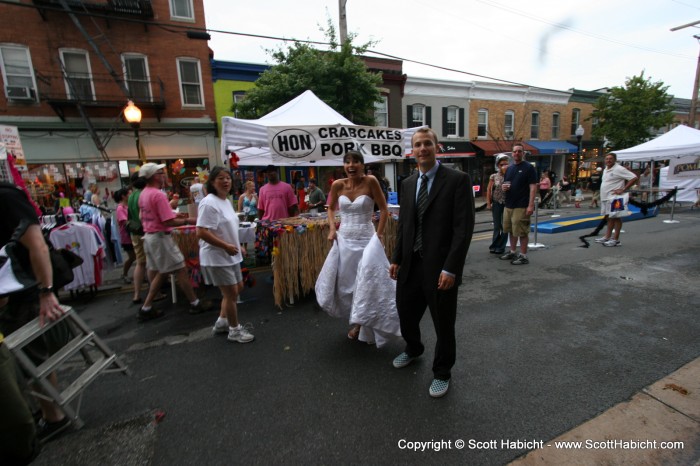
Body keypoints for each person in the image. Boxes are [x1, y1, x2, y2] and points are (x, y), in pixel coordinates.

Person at [388, 128, 474, 398]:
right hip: (411, 264)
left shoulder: (457, 180)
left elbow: (463, 229)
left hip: (440, 268)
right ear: (411, 150)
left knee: (443, 323)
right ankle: (413, 348)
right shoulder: (408, 183)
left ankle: (442, 372)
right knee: (405, 312)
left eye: (427, 143)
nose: (422, 148)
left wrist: (451, 268)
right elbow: (405, 225)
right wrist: (397, 258)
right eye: (417, 144)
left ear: (437, 147)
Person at [0, 183, 70, 457]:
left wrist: (46, 292)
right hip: (14, 295)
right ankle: (49, 412)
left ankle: (54, 417)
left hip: (24, 293)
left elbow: (37, 245)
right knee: (27, 359)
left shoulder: (6, 197)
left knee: (31, 359)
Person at [315, 151, 399, 346]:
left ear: (363, 165)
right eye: (347, 162)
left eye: (356, 162)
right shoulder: (338, 185)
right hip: (344, 240)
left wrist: (378, 235)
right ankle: (359, 319)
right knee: (348, 284)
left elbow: (384, 209)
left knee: (367, 283)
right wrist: (332, 229)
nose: (351, 165)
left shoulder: (370, 182)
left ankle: (361, 325)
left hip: (367, 241)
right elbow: (330, 208)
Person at [137, 163, 212, 321]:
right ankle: (195, 303)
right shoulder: (158, 195)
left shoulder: (144, 193)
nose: (164, 174)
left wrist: (178, 217)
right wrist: (191, 220)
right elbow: (168, 221)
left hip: (149, 237)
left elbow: (149, 216)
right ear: (154, 176)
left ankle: (146, 307)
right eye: (160, 172)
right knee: (180, 268)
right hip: (160, 237)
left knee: (164, 271)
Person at [197, 167, 254, 344]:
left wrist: (238, 246)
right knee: (230, 294)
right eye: (220, 178)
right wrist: (225, 246)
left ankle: (222, 321)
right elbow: (201, 231)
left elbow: (226, 228)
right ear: (212, 182)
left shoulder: (225, 201)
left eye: (228, 178)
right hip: (217, 256)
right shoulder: (209, 202)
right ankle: (234, 330)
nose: (226, 181)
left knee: (237, 288)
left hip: (231, 253)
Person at [500, 143, 538, 265]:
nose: (517, 153)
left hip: (521, 205)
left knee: (521, 231)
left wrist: (531, 205)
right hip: (509, 204)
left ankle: (523, 255)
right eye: (515, 151)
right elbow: (506, 184)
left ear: (523, 153)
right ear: (512, 154)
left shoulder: (529, 168)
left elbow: (533, 187)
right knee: (511, 230)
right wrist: (503, 187)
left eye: (519, 151)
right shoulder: (509, 169)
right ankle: (512, 251)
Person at [595, 153, 638, 247]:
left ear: (615, 160)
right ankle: (607, 236)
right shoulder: (606, 169)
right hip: (606, 197)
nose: (608, 160)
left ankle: (616, 239)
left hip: (615, 197)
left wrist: (623, 189)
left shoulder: (619, 169)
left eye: (610, 159)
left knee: (617, 217)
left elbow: (634, 177)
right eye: (606, 159)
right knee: (609, 217)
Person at [486, 154, 510, 255]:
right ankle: (494, 245)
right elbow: (489, 189)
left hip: (507, 203)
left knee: (505, 226)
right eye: (501, 164)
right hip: (496, 202)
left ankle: (501, 247)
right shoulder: (494, 176)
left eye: (505, 164)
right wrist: (488, 203)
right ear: (498, 165)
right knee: (497, 225)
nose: (503, 166)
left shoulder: (511, 175)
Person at [114, 188, 135, 284]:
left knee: (137, 257)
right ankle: (125, 274)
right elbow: (125, 221)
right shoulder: (120, 208)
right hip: (127, 237)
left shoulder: (128, 206)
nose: (131, 195)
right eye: (129, 194)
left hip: (133, 235)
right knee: (132, 257)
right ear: (123, 196)